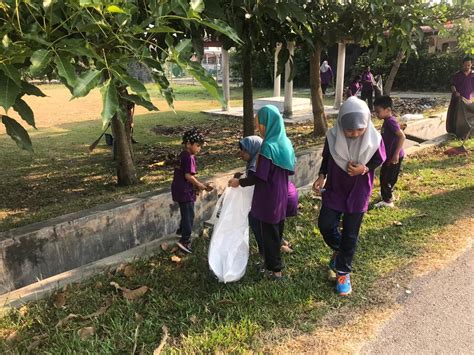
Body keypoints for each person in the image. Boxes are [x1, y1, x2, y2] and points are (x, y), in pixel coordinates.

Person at [312, 97, 386, 296]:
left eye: (359, 130)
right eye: (349, 130)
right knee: (326, 224)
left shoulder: (374, 138)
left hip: (359, 191)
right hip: (336, 188)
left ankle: (343, 272)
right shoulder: (332, 136)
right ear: (340, 124)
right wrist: (321, 176)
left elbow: (379, 158)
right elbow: (327, 157)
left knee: (351, 233)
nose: (354, 134)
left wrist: (364, 168)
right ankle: (340, 250)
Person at [229, 105, 296, 280]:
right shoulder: (286, 143)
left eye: (260, 124)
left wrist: (239, 182)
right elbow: (290, 170)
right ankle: (272, 264)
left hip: (268, 196)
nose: (259, 128)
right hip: (281, 194)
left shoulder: (267, 147)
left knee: (269, 235)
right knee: (276, 231)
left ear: (267, 124)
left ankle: (275, 271)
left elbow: (260, 177)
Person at [234, 136, 298, 261]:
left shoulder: (258, 162)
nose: (240, 154)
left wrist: (239, 182)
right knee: (271, 225)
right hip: (283, 195)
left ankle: (267, 253)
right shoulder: (267, 156)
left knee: (257, 220)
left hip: (278, 199)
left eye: (244, 150)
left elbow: (255, 180)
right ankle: (277, 245)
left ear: (253, 149)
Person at [171, 128, 213, 254]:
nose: (199, 149)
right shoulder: (189, 157)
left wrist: (198, 184)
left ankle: (181, 230)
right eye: (198, 145)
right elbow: (188, 176)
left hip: (179, 188)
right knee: (189, 215)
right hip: (184, 191)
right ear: (189, 144)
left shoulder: (183, 154)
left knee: (186, 212)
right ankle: (185, 241)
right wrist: (199, 185)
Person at [373, 96, 406, 208]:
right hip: (389, 156)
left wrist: (396, 154)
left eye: (378, 112)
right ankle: (387, 194)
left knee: (387, 177)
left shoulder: (390, 122)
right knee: (385, 175)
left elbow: (402, 137)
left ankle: (387, 201)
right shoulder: (387, 121)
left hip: (393, 156)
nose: (377, 114)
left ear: (387, 110)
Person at [446, 56, 474, 136]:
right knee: (456, 116)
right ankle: (454, 132)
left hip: (468, 100)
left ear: (471, 64)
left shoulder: (473, 75)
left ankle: (467, 132)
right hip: (458, 99)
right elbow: (452, 85)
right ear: (462, 65)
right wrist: (455, 92)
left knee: (468, 116)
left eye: (468, 65)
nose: (467, 67)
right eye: (465, 65)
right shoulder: (457, 75)